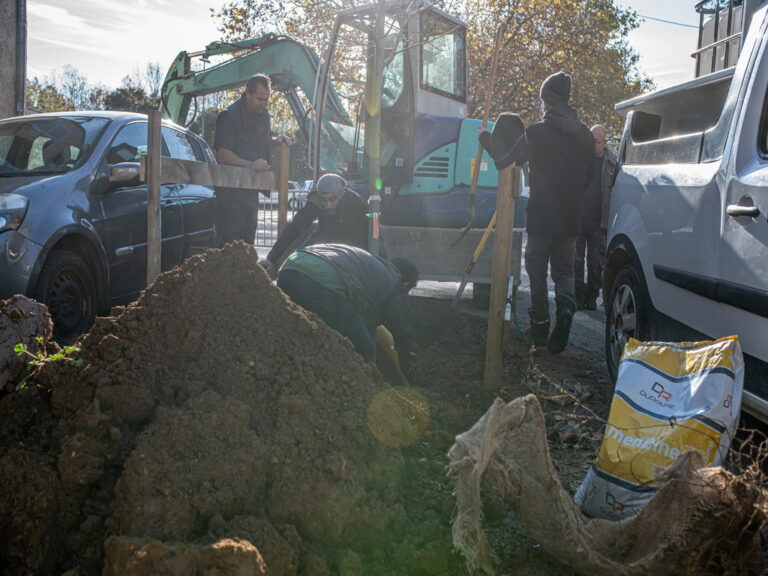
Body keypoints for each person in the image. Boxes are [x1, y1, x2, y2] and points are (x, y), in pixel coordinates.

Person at [478, 71, 595, 354]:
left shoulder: (537, 133)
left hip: (542, 214)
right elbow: (591, 177)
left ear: (547, 101)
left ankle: (540, 326)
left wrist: (486, 141)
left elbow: (507, 161)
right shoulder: (585, 136)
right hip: (570, 217)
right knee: (564, 270)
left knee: (537, 269)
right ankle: (566, 306)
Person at [276, 243, 418, 375]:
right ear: (406, 283)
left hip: (289, 269)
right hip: (319, 279)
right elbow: (403, 331)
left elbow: (365, 324)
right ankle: (366, 395)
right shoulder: (395, 283)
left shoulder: (373, 269)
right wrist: (410, 363)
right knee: (363, 348)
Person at [213, 74, 291, 246]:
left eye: (266, 99)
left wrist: (277, 141)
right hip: (230, 196)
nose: (263, 103)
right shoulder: (229, 116)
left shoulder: (263, 116)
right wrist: (251, 165)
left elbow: (261, 144)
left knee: (248, 246)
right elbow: (223, 155)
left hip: (251, 193)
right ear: (247, 93)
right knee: (231, 247)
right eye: (259, 99)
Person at [261, 173, 368, 275]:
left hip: (350, 240)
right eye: (324, 200)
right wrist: (271, 258)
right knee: (301, 255)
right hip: (324, 235)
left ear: (340, 196)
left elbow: (360, 238)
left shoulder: (355, 203)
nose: (328, 205)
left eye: (332, 200)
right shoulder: (315, 201)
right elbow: (295, 227)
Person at [574, 125, 617, 311]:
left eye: (597, 142)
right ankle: (578, 296)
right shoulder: (580, 158)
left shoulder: (612, 163)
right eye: (591, 140)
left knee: (595, 264)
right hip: (577, 220)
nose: (593, 145)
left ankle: (591, 297)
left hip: (599, 222)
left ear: (605, 143)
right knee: (575, 261)